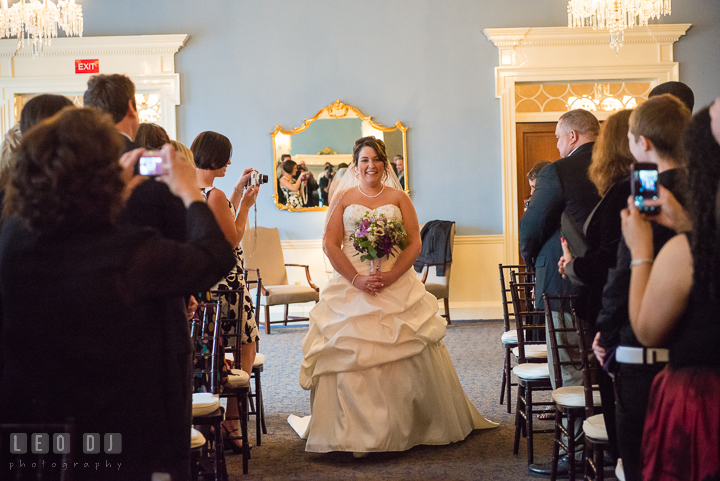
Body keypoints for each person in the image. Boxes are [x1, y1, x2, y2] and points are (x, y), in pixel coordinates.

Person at [0, 107, 235, 481]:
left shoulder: (12, 239)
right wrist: (190, 191)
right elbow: (214, 256)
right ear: (103, 174)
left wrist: (111, 192)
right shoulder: (128, 253)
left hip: (33, 430)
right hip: (112, 430)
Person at [288, 136, 497, 455]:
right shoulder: (342, 199)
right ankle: (348, 430)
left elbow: (414, 242)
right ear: (355, 167)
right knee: (348, 350)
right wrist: (357, 279)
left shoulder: (399, 197)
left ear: (385, 164)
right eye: (363, 160)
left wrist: (390, 275)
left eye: (376, 160)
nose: (370, 165)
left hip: (395, 282)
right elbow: (330, 244)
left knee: (407, 347)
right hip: (352, 284)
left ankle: (411, 425)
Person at [83, 73, 193, 475]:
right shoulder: (153, 166)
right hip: (155, 320)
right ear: (133, 107)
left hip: (89, 321)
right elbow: (186, 251)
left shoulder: (73, 170)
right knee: (161, 441)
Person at [593, 91, 692, 481]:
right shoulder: (707, 189)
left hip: (643, 344)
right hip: (695, 348)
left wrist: (604, 328)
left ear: (643, 143)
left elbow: (624, 273)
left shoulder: (644, 196)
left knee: (639, 463)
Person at [620, 105, 719, 481]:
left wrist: (642, 251)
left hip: (703, 406)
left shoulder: (686, 252)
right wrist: (688, 222)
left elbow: (648, 330)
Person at [519, 108, 601, 475]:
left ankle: (577, 452)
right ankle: (604, 439)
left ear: (571, 136)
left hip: (565, 282)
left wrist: (532, 257)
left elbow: (531, 227)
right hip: (613, 283)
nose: (556, 143)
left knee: (569, 367)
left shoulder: (559, 171)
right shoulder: (624, 166)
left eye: (556, 136)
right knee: (602, 365)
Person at [555, 109, 635, 463]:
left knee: (623, 407)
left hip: (617, 306)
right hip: (618, 301)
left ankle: (620, 461)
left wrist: (574, 265)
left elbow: (614, 257)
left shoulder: (624, 191)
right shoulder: (627, 187)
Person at [192, 130, 260, 452]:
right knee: (246, 342)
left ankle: (218, 416)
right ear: (215, 157)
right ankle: (232, 420)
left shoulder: (193, 191)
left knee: (218, 351)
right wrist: (245, 205)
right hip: (228, 284)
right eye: (226, 157)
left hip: (204, 284)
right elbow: (230, 240)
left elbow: (216, 221)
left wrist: (235, 191)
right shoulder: (214, 196)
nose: (230, 162)